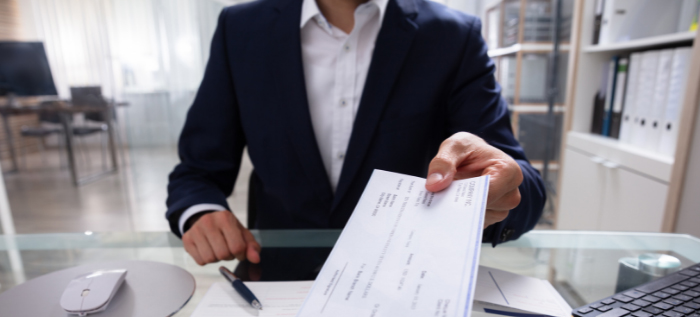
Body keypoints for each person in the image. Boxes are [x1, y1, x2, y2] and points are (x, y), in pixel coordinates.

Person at [166, 0, 546, 266]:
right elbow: (198, 171)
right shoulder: (240, 29)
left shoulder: (454, 36)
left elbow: (521, 182)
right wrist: (202, 212)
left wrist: (502, 188)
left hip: (403, 292)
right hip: (277, 286)